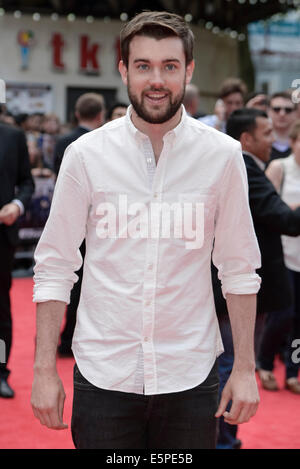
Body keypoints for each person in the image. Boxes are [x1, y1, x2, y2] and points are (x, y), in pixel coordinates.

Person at [31, 11, 261, 450]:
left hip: (190, 375)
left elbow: (239, 268)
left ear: (188, 71)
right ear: (123, 70)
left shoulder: (223, 156)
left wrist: (246, 368)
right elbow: (55, 265)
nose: (157, 80)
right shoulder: (85, 155)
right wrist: (43, 370)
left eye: (170, 66)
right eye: (143, 66)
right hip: (103, 375)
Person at [212, 108, 300, 448]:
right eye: (266, 133)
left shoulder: (240, 165)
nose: (272, 139)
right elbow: (283, 219)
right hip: (245, 287)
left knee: (227, 362)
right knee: (230, 364)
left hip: (243, 284)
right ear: (246, 139)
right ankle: (222, 440)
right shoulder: (245, 165)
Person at [54, 92, 106, 357]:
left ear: (76, 113)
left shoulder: (63, 141)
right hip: (98, 224)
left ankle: (65, 338)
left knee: (67, 280)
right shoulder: (99, 144)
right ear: (100, 115)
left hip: (69, 220)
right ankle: (76, 336)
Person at [0, 110, 35, 397]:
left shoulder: (12, 137)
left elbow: (27, 183)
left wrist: (17, 205)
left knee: (0, 309)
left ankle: (0, 371)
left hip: (1, 235)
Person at [264, 119, 300, 393]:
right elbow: (268, 207)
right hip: (282, 255)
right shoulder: (280, 168)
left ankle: (292, 371)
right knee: (282, 316)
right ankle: (264, 363)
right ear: (293, 142)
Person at [268, 91, 297, 162]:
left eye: (288, 110)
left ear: (296, 113)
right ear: (268, 111)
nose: (282, 114)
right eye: (276, 109)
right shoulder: (259, 141)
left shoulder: (298, 142)